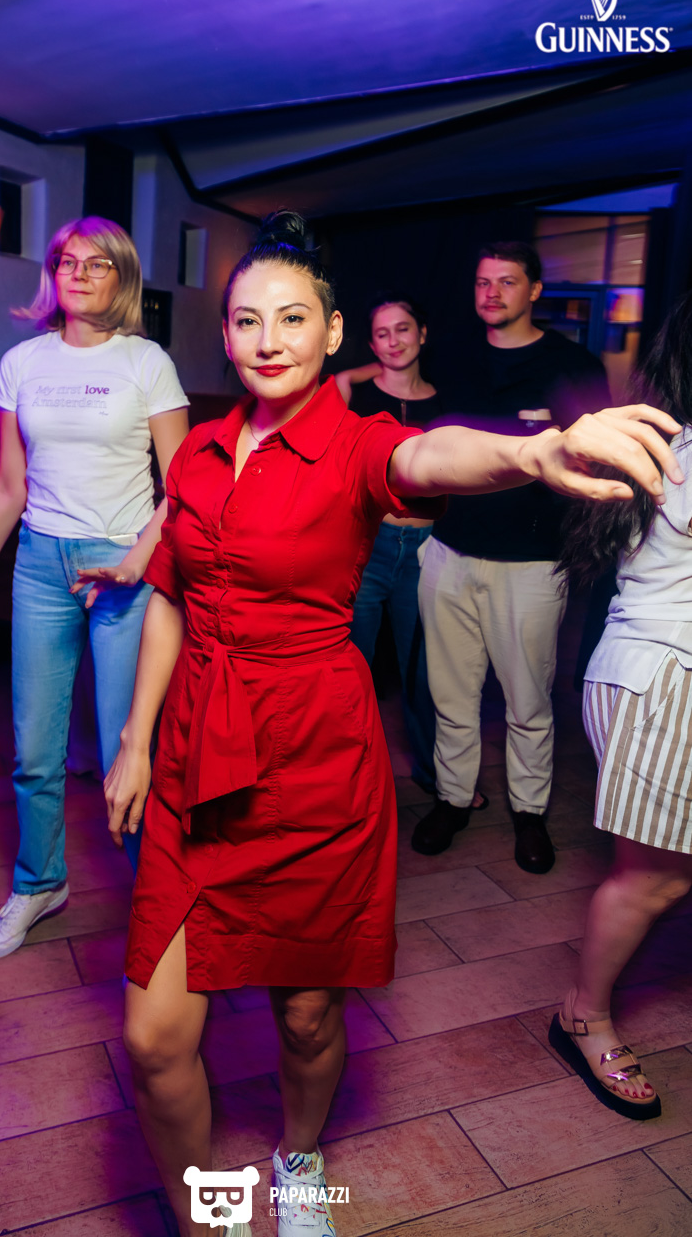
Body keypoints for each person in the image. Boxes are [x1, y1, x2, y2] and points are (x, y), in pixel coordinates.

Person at [102, 211, 681, 1237]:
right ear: (225, 334)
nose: (268, 339)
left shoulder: (357, 441)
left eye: (293, 318)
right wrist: (136, 742)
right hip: (198, 760)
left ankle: (298, 1159)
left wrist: (533, 449)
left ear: (333, 334)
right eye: (247, 320)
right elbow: (169, 598)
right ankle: (201, 1220)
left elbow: (431, 458)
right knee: (153, 1039)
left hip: (313, 765)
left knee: (306, 1014)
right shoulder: (195, 454)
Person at [0, 216, 189, 959]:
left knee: (124, 749)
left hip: (122, 568)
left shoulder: (147, 362)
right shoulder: (22, 362)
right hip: (41, 566)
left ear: (121, 277)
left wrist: (138, 560)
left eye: (97, 263)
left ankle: (155, 903)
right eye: (67, 261)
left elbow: (183, 488)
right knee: (35, 750)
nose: (79, 273)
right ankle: (40, 880)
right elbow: (10, 486)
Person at [415, 242, 610, 873]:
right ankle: (452, 799)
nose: (492, 293)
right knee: (451, 695)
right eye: (482, 282)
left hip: (530, 563)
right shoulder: (451, 356)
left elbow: (592, 463)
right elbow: (396, 377)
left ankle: (530, 813)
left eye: (506, 281)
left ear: (535, 291)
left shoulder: (572, 364)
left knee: (527, 702)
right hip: (448, 551)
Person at [551, 293, 692, 1120]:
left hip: (651, 674)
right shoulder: (683, 452)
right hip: (662, 683)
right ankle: (582, 1014)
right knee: (651, 880)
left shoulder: (669, 440)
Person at [337, 293, 442, 792]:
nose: (394, 341)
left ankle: (435, 776)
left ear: (422, 333)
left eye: (403, 329)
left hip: (426, 550)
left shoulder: (446, 400)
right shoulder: (350, 391)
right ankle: (347, 778)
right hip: (367, 546)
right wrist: (369, 372)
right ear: (371, 344)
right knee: (349, 665)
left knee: (422, 671)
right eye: (382, 333)